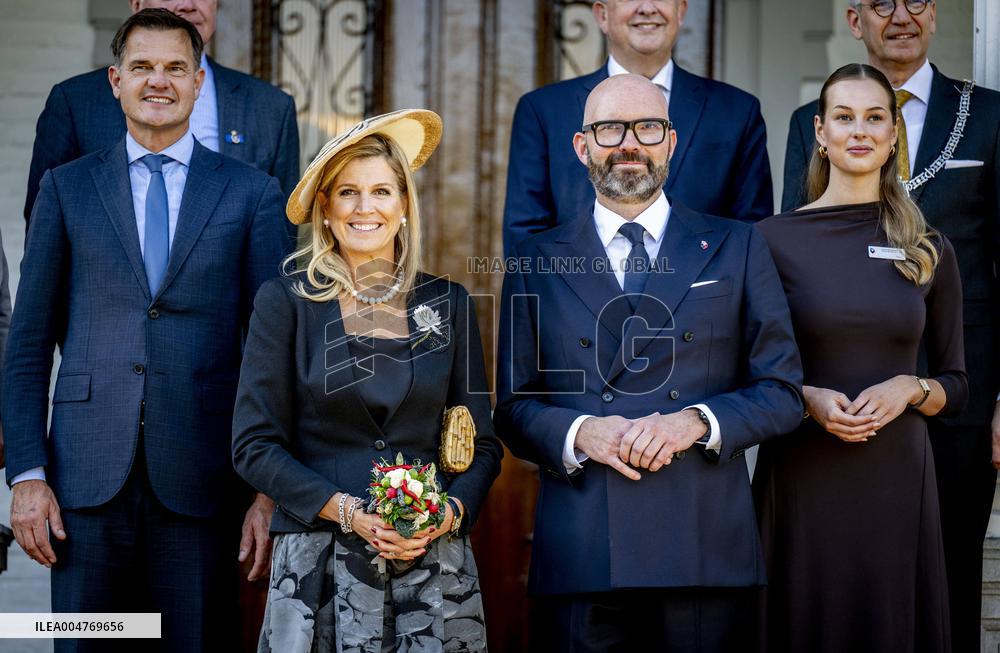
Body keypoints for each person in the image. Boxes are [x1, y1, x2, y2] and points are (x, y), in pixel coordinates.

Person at [2, 10, 289, 651]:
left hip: (206, 479)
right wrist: (26, 475)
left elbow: (273, 353)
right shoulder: (66, 188)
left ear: (196, 84)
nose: (158, 81)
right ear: (115, 80)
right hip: (82, 485)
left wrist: (269, 492)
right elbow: (26, 346)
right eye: (142, 67)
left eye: (175, 69)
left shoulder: (252, 194)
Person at [494, 73, 803, 653]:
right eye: (611, 129)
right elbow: (512, 407)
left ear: (671, 142)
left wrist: (692, 423)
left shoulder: (737, 245)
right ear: (582, 146)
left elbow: (782, 391)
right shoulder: (536, 258)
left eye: (647, 127)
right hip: (583, 549)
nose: (629, 143)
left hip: (703, 546)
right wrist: (586, 432)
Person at [232, 109, 503, 653]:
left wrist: (445, 513)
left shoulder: (446, 304)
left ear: (404, 207)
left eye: (382, 191)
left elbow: (484, 444)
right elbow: (253, 446)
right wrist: (349, 512)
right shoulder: (286, 303)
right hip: (317, 566)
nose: (365, 207)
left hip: (431, 562)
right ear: (325, 210)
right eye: (347, 193)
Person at [781, 3, 1000, 650]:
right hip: (830, 404)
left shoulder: (988, 114)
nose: (901, 15)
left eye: (917, 0)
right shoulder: (804, 124)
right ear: (854, 18)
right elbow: (798, 257)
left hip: (957, 392)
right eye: (882, 1)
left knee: (947, 579)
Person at [756, 63, 966, 653]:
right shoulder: (768, 240)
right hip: (803, 472)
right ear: (819, 132)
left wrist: (910, 388)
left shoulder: (929, 246)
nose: (860, 131)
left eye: (876, 117)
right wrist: (806, 401)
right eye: (844, 118)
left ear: (895, 132)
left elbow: (958, 382)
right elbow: (746, 375)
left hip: (897, 479)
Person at [502, 0, 773, 256]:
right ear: (602, 14)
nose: (647, 8)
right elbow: (525, 236)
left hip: (706, 301)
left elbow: (751, 233)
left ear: (681, 10)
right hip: (576, 297)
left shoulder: (737, 111)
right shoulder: (542, 110)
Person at [24, 0, 300, 235]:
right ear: (136, 4)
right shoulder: (75, 102)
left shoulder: (271, 108)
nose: (187, 5)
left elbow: (282, 240)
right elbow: (44, 231)